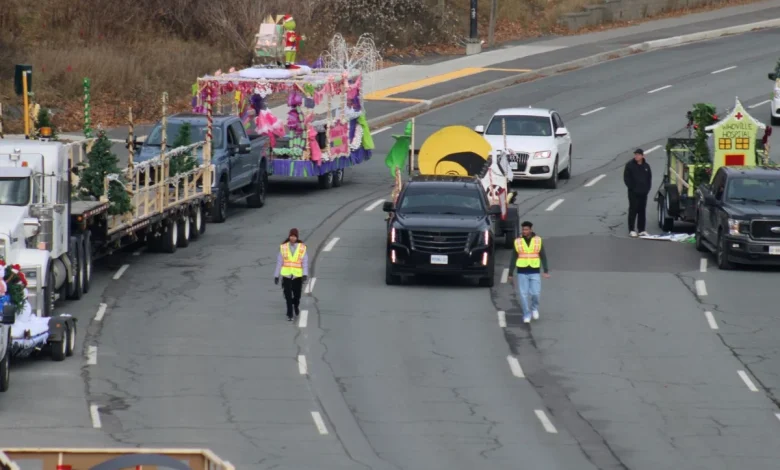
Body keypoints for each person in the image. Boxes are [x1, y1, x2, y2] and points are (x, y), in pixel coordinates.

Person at [507, 221, 550, 324]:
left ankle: (534, 308)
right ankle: (527, 313)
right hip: (522, 271)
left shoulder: (537, 240)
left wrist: (546, 270)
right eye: (523, 229)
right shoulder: (518, 241)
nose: (524, 231)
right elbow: (513, 257)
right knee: (523, 294)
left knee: (535, 293)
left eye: (526, 229)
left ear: (531, 230)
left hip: (534, 270)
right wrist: (510, 272)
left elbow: (543, 255)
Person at [274, 228, 309, 321]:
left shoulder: (302, 248)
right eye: (291, 236)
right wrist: (276, 275)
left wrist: (305, 274)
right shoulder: (284, 248)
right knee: (288, 296)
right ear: (289, 236)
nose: (292, 238)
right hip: (287, 275)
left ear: (297, 237)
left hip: (297, 276)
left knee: (297, 296)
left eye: (294, 236)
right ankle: (290, 314)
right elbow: (279, 262)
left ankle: (296, 306)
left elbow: (305, 262)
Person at [623, 148, 652, 237]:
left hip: (643, 192)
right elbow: (626, 178)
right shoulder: (630, 165)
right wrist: (632, 188)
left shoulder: (646, 166)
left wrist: (647, 189)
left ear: (642, 156)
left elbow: (649, 178)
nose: (636, 156)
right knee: (633, 210)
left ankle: (641, 229)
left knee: (642, 211)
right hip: (633, 193)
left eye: (638, 155)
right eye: (635, 154)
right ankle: (631, 229)